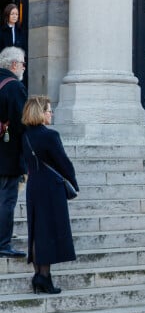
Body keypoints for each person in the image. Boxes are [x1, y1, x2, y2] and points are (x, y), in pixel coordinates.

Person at [21, 95, 79, 294]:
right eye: (48, 110)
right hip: (51, 187)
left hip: (34, 186)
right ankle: (44, 277)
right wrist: (73, 182)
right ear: (40, 113)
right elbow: (63, 163)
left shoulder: (25, 135)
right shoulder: (50, 135)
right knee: (49, 231)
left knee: (37, 231)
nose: (51, 113)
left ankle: (40, 275)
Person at [0, 46, 27, 258]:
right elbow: (22, 123)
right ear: (15, 65)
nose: (24, 68)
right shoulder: (15, 87)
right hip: (7, 154)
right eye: (23, 63)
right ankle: (3, 243)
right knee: (6, 199)